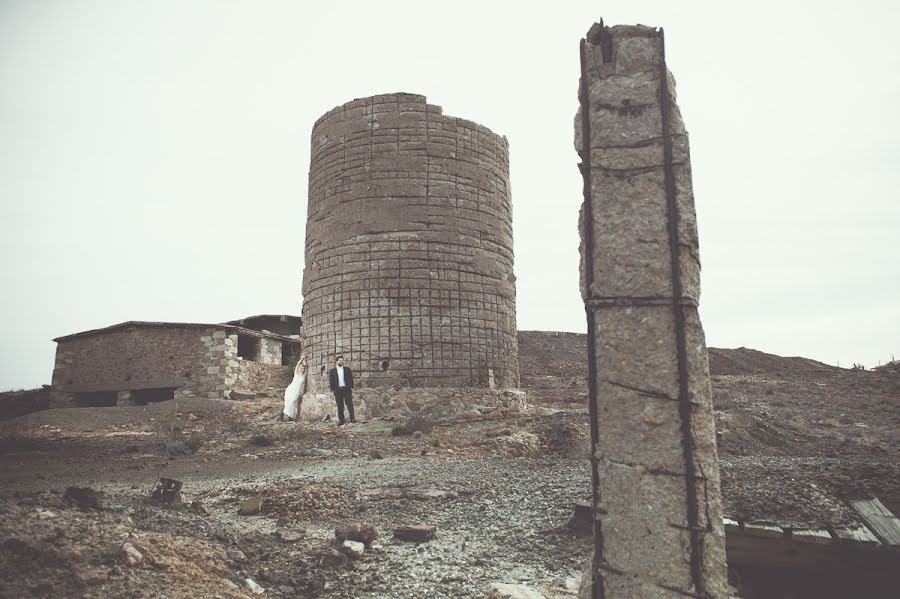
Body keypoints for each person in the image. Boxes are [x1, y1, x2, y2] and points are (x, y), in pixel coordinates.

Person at [328, 356, 355, 425]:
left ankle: (352, 418)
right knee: (340, 406)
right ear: (336, 362)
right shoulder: (332, 371)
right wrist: (332, 390)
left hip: (347, 389)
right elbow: (331, 381)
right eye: (340, 360)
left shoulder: (347, 369)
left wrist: (351, 387)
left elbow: (351, 379)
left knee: (349, 404)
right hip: (338, 390)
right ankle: (341, 420)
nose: (342, 361)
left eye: (342, 360)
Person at [280, 357, 307, 422]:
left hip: (296, 391)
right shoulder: (296, 373)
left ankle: (291, 415)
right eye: (301, 368)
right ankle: (287, 416)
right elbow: (298, 364)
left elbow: (306, 370)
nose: (301, 369)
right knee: (288, 402)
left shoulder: (303, 376)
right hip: (291, 389)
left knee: (293, 401)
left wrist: (305, 365)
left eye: (302, 368)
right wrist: (302, 359)